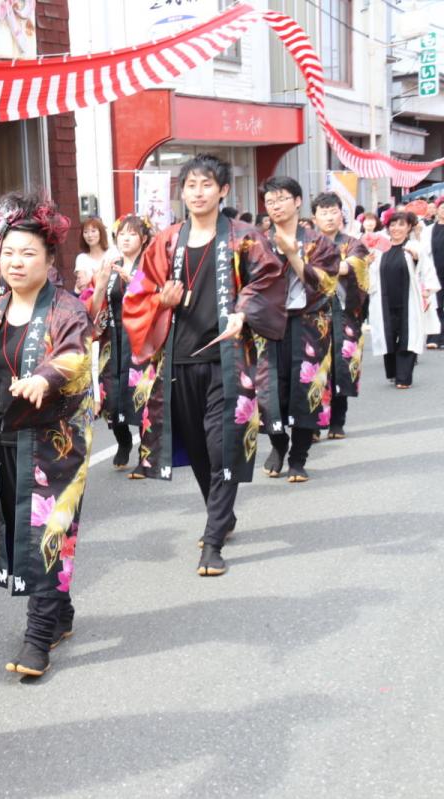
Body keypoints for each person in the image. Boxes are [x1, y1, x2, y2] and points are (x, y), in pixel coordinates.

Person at [122, 154, 286, 577]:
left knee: (221, 445)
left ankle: (212, 542)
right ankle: (222, 515)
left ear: (223, 190)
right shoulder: (167, 241)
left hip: (228, 363)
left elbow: (267, 279)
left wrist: (244, 310)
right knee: (196, 449)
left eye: (206, 184)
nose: (198, 192)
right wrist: (163, 300)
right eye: (191, 184)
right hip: (179, 361)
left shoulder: (245, 238)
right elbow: (139, 294)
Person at [0, 191, 93, 677]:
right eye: (7, 252)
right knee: (23, 534)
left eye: (28, 252)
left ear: (50, 259)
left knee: (45, 532)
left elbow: (76, 355)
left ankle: (37, 640)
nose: (15, 262)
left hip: (55, 446)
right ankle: (61, 612)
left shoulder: (66, 308)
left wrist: (45, 376)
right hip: (6, 442)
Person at [258, 177, 341, 483]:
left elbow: (325, 283)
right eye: (270, 201)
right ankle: (278, 445)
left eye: (281, 199)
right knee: (269, 393)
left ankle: (298, 458)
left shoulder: (320, 243)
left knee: (307, 390)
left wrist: (293, 255)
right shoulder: (257, 242)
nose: (275, 206)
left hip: (309, 324)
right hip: (269, 327)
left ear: (297, 201)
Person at [86, 214, 155, 473]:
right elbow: (94, 301)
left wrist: (134, 285)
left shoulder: (149, 266)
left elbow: (157, 301)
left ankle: (147, 452)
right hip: (112, 342)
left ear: (144, 239)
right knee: (112, 397)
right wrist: (98, 285)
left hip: (139, 342)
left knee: (143, 396)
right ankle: (123, 440)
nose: (125, 238)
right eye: (122, 234)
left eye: (132, 234)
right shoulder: (110, 265)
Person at [310, 192, 371, 439]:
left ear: (341, 214)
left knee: (341, 367)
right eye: (323, 212)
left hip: (345, 314)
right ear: (314, 217)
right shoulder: (307, 243)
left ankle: (337, 421)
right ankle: (312, 424)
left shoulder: (354, 243)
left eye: (333, 211)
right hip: (313, 315)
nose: (329, 217)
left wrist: (315, 267)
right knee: (313, 369)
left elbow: (352, 266)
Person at [369, 212, 440, 388]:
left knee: (408, 337)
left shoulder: (414, 246)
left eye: (401, 224)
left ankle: (404, 378)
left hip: (409, 301)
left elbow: (426, 268)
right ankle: (394, 372)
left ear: (409, 227)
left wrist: (416, 258)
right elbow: (370, 274)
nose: (396, 229)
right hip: (384, 301)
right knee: (388, 338)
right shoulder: (380, 248)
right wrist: (368, 262)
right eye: (393, 225)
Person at [75, 218, 110, 296]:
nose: (89, 235)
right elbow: (82, 285)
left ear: (101, 232)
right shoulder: (81, 258)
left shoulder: (112, 253)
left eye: (93, 231)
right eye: (86, 232)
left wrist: (91, 279)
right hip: (91, 301)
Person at [427, 203, 444, 349]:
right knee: (436, 305)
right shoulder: (429, 230)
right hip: (435, 272)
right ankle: (435, 337)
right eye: (442, 208)